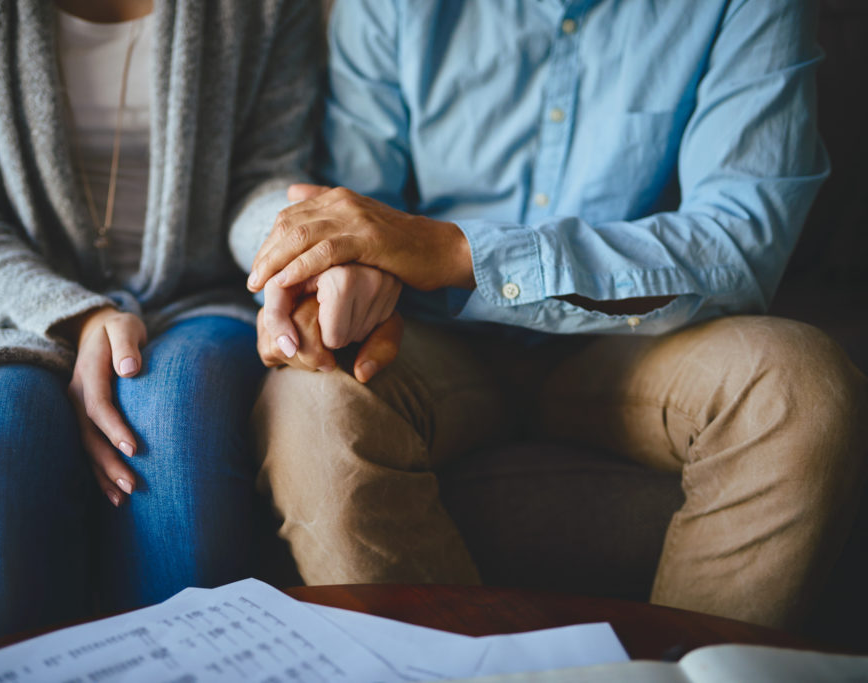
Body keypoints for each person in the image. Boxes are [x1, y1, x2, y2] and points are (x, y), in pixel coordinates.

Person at [238, 0, 868, 629]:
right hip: (431, 339)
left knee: (798, 387)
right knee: (312, 406)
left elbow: (738, 244)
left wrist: (457, 252)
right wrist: (341, 282)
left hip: (640, 340)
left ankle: (678, 669)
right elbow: (353, 207)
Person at [0, 0, 319, 650]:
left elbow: (265, 174)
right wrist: (75, 316)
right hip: (13, 304)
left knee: (175, 410)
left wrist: (294, 242)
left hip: (199, 295)